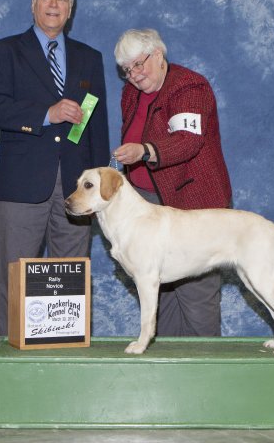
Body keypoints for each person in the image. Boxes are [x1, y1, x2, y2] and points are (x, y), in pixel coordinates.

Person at [0, 0, 109, 336]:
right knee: (14, 275)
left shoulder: (90, 57)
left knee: (72, 279)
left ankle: (65, 357)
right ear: (34, 4)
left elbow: (96, 124)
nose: (54, 5)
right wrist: (45, 115)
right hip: (21, 184)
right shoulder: (4, 50)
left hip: (77, 185)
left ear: (71, 9)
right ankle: (9, 357)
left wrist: (100, 183)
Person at [112, 28, 232, 337]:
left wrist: (146, 151)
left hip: (193, 203)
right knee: (158, 295)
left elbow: (186, 141)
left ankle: (207, 369)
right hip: (145, 205)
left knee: (197, 297)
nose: (135, 75)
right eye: (127, 70)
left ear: (159, 53)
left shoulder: (189, 86)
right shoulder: (131, 93)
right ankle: (166, 370)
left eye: (139, 64)